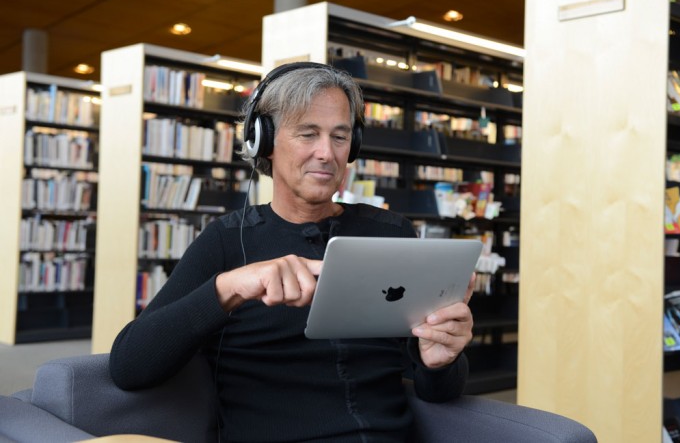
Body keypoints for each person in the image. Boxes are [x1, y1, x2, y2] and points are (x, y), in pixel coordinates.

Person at [109, 62, 475, 442]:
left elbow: (440, 392)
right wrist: (229, 288)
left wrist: (441, 361)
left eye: (339, 136)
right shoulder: (226, 240)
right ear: (264, 141)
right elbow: (129, 366)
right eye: (307, 134)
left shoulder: (392, 233)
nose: (326, 153)